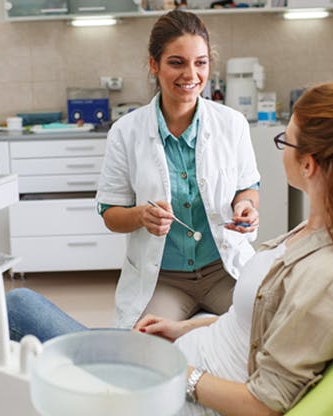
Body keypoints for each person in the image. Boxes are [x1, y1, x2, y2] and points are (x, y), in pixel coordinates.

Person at [0, 81, 333, 415]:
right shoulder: (315, 235)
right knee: (15, 317)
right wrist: (183, 331)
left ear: (311, 164)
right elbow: (248, 324)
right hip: (175, 356)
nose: (281, 150)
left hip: (172, 394)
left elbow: (267, 405)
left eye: (286, 139)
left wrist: (179, 375)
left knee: (4, 360)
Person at [96, 10, 262, 328]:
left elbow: (248, 187)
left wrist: (246, 206)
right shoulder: (126, 131)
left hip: (222, 270)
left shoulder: (232, 124)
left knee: (261, 334)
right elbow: (110, 214)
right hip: (163, 279)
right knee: (146, 354)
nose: (191, 74)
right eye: (177, 62)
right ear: (154, 65)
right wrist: (140, 216)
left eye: (200, 62)